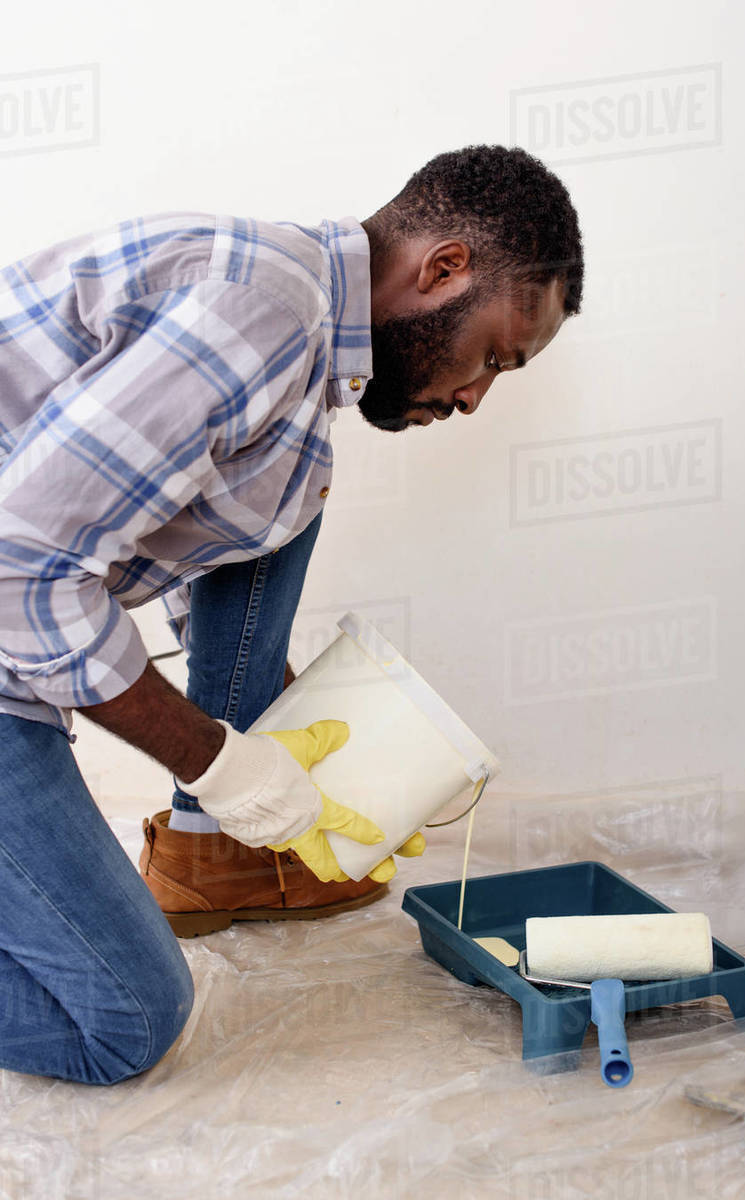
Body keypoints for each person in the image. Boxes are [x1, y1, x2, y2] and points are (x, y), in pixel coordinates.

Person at [0, 144, 583, 1084]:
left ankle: (216, 851)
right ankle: (215, 820)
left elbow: (174, 535)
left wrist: (328, 762)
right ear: (442, 270)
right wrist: (218, 762)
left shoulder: (300, 337)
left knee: (285, 500)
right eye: (491, 358)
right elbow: (17, 564)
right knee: (122, 1021)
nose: (475, 398)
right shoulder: (261, 310)